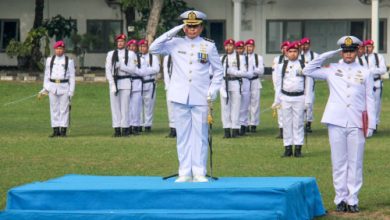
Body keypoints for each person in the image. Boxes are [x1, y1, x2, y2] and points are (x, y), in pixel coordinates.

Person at [303, 36, 375, 213]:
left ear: (357, 51)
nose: (348, 54)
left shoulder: (366, 72)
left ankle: (353, 199)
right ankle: (340, 198)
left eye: (351, 51)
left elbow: (370, 99)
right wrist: (329, 54)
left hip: (357, 121)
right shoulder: (331, 69)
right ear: (341, 52)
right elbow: (307, 70)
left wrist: (371, 124)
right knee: (339, 161)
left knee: (355, 161)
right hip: (336, 120)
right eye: (344, 51)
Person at [149, 10, 223, 183]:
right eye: (188, 26)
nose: (192, 30)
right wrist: (175, 29)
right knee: (182, 136)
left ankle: (199, 171)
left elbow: (219, 71)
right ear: (184, 27)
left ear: (201, 27)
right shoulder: (174, 43)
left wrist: (213, 90)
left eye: (195, 26)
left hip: (201, 97)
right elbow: (153, 48)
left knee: (200, 135)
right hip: (180, 96)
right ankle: (184, 172)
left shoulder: (209, 46)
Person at [273, 41, 311, 158]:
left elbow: (308, 84)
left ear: (298, 53)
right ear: (286, 52)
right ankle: (288, 148)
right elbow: (278, 84)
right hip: (285, 97)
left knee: (298, 123)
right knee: (286, 123)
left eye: (295, 51)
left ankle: (298, 148)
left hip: (299, 97)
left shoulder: (304, 65)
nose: (293, 54)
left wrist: (307, 100)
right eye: (290, 51)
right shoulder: (281, 66)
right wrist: (277, 100)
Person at [41, 40, 75, 137]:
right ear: (54, 49)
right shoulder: (50, 60)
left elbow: (72, 77)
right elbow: (47, 75)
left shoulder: (69, 61)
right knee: (54, 109)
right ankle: (55, 130)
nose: (59, 51)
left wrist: (71, 91)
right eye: (57, 49)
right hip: (52, 87)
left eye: (61, 49)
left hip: (64, 87)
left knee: (64, 109)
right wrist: (45, 88)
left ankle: (63, 130)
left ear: (63, 50)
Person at [105, 34, 137, 137]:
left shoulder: (131, 54)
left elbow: (133, 70)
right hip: (115, 82)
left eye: (122, 41)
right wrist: (112, 84)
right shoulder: (111, 54)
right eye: (118, 41)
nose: (120, 43)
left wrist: (122, 66)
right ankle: (117, 129)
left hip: (125, 82)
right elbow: (108, 70)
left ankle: (125, 128)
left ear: (125, 43)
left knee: (125, 107)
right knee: (115, 107)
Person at [220, 39, 252, 138]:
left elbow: (244, 72)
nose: (228, 48)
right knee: (225, 107)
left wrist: (231, 71)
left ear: (233, 47)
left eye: (230, 45)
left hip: (235, 82)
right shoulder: (221, 58)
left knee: (236, 107)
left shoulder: (240, 58)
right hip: (224, 83)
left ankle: (235, 129)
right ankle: (226, 130)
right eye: (227, 45)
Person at [364, 39, 387, 133]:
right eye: (367, 47)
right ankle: (365, 123)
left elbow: (383, 70)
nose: (368, 48)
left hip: (376, 83)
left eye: (370, 46)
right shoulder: (361, 58)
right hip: (364, 84)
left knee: (376, 105)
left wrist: (371, 70)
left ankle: (375, 124)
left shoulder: (378, 57)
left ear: (373, 47)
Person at [137, 39, 160, 132]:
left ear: (147, 47)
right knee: (138, 105)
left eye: (144, 46)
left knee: (149, 105)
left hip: (150, 83)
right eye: (141, 46)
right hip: (139, 84)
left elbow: (156, 69)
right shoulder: (136, 57)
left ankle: (148, 124)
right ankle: (139, 124)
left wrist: (144, 70)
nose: (143, 48)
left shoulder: (153, 57)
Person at [245, 39, 264, 133]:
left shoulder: (258, 57)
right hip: (245, 81)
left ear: (254, 47)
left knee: (255, 103)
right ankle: (246, 123)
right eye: (247, 46)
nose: (249, 48)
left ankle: (254, 124)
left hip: (255, 81)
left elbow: (261, 71)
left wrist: (252, 68)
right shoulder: (242, 57)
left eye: (251, 46)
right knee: (245, 103)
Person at [300, 37, 318, 133]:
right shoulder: (298, 55)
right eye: (303, 45)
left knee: (309, 104)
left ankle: (308, 123)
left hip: (310, 81)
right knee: (301, 104)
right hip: (300, 82)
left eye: (306, 45)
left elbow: (318, 67)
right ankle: (301, 123)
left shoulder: (314, 55)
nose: (304, 46)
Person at [272, 41, 290, 138]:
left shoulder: (296, 59)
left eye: (287, 48)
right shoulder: (277, 59)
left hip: (290, 89)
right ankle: (281, 130)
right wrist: (276, 88)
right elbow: (275, 75)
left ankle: (290, 130)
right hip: (279, 88)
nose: (285, 50)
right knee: (280, 110)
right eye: (283, 48)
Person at [235, 40, 253, 135]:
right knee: (236, 105)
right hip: (235, 83)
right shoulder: (233, 59)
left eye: (241, 48)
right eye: (237, 48)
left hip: (245, 83)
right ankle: (236, 126)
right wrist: (241, 73)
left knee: (245, 106)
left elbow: (250, 74)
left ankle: (243, 125)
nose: (239, 50)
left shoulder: (247, 59)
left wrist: (240, 73)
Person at [163, 54, 176, 138]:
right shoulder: (166, 58)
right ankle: (173, 129)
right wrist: (168, 85)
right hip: (170, 85)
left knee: (180, 108)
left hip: (180, 85)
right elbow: (165, 72)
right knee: (170, 108)